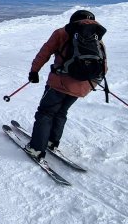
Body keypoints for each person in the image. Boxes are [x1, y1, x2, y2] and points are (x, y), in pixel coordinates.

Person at [24, 10, 106, 160]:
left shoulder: (62, 33)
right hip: (82, 86)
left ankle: (36, 148)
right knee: (61, 112)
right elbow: (103, 65)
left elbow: (44, 53)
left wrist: (34, 72)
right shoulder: (96, 36)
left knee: (46, 113)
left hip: (59, 83)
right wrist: (92, 83)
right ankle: (51, 141)